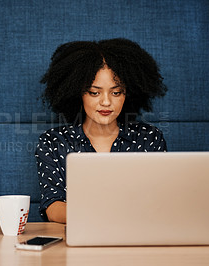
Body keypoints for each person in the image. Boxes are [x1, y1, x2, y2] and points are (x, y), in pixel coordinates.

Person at [35, 38, 168, 223]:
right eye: (94, 92)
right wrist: (106, 216)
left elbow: (161, 202)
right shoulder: (54, 142)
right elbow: (53, 206)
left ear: (128, 94)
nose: (106, 102)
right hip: (77, 243)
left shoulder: (149, 138)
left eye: (116, 92)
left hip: (137, 240)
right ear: (77, 92)